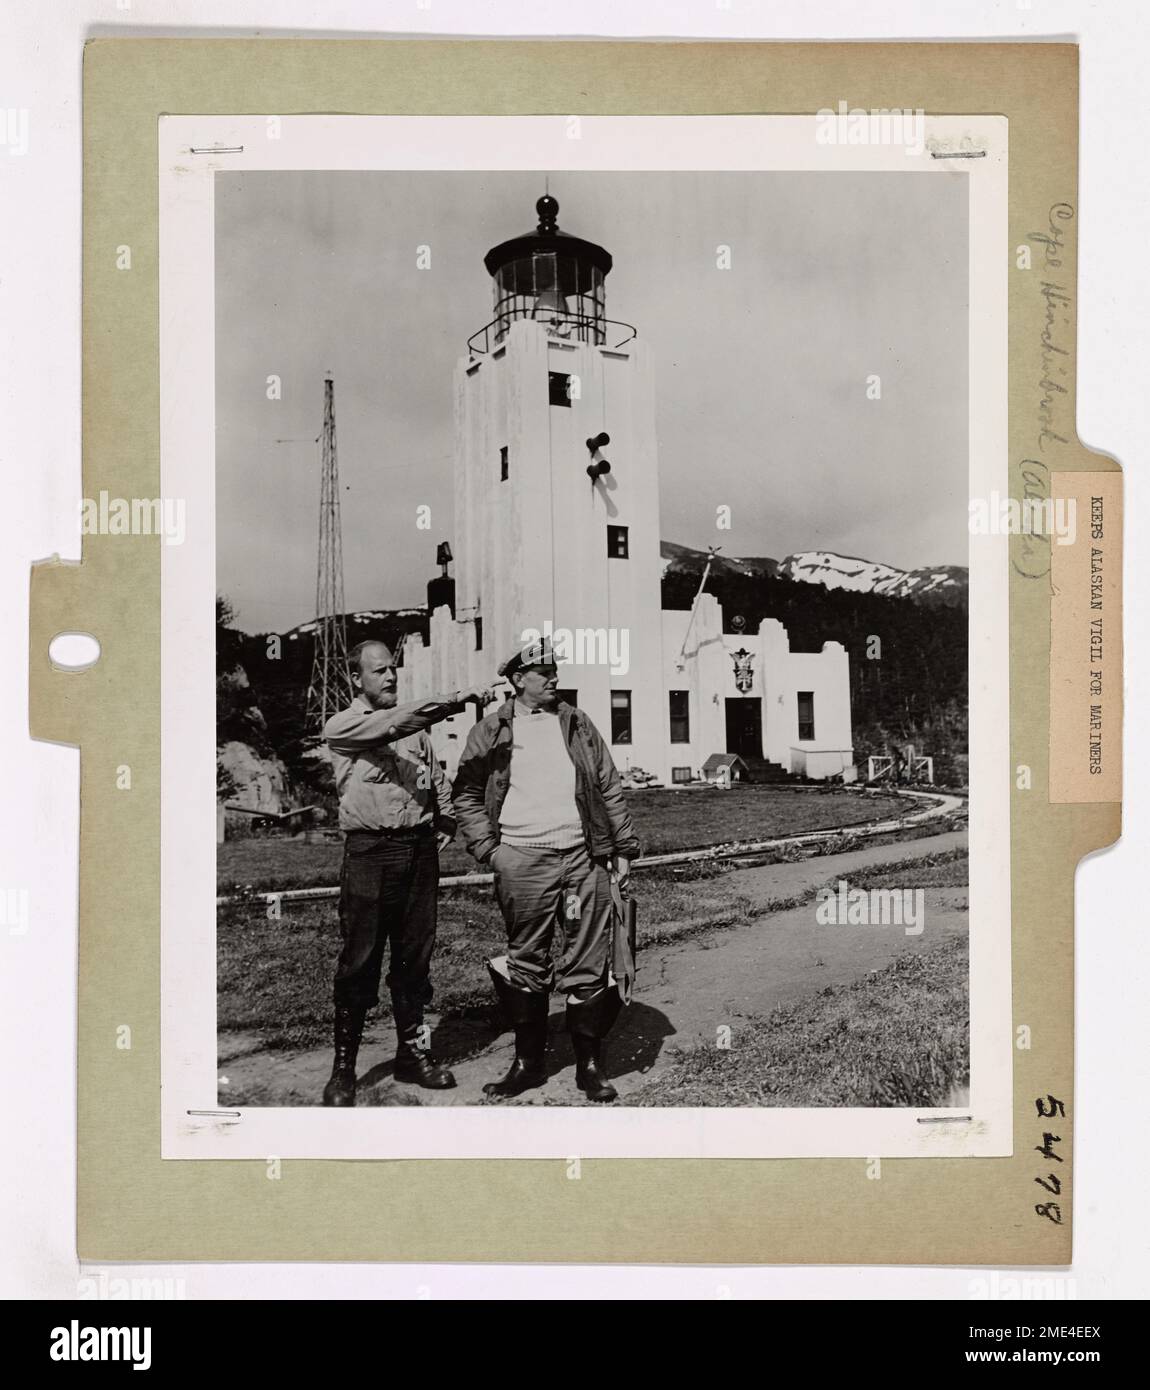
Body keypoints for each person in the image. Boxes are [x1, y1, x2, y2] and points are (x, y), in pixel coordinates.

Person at [452, 637, 640, 1103]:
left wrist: (623, 847)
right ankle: (528, 1065)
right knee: (526, 958)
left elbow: (608, 785)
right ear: (517, 680)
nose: (554, 678)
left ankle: (590, 1067)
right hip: (521, 858)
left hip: (584, 857)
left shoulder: (578, 723)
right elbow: (466, 794)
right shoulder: (490, 730)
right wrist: (492, 851)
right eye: (543, 673)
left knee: (588, 958)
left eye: (554, 670)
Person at [321, 639, 494, 1106]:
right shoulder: (345, 726)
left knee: (414, 961)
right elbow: (397, 722)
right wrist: (459, 698)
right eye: (379, 671)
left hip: (417, 855)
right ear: (356, 678)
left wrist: (446, 820)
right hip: (370, 854)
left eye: (393, 669)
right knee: (359, 962)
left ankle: (411, 1056)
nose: (391, 677)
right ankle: (344, 1070)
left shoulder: (415, 733)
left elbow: (432, 777)